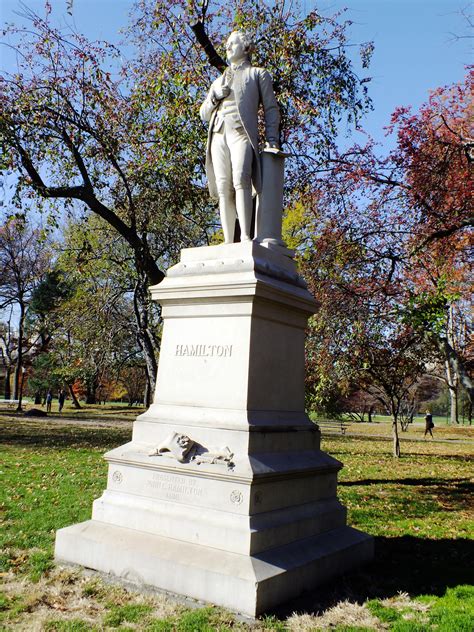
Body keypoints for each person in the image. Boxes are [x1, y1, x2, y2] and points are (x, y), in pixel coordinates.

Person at [200, 30, 280, 243]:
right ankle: (228, 240)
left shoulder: (257, 74)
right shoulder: (218, 82)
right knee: (223, 185)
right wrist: (216, 96)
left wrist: (272, 138)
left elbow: (271, 108)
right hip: (218, 134)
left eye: (232, 43)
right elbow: (203, 113)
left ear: (245, 48)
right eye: (226, 44)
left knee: (241, 178)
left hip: (241, 133)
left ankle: (245, 236)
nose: (227, 47)